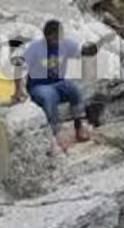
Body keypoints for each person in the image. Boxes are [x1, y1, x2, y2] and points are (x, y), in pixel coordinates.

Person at [20, 19, 98, 152]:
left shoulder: (66, 45)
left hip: (58, 82)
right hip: (38, 86)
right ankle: (54, 135)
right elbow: (20, 68)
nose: (58, 41)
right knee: (49, 97)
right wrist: (19, 90)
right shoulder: (34, 49)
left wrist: (90, 50)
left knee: (75, 90)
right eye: (55, 38)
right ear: (47, 36)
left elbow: (80, 54)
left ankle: (79, 126)